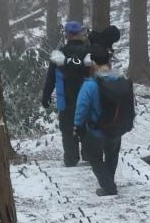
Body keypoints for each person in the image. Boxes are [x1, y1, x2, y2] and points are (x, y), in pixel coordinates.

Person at [73, 45, 124, 196]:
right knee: (112, 154)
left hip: (97, 129)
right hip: (116, 128)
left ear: (94, 63)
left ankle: (108, 186)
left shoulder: (90, 84)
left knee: (93, 156)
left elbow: (81, 108)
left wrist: (77, 126)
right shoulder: (119, 80)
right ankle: (109, 181)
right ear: (109, 63)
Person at [42, 21, 90, 166]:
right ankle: (90, 155)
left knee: (68, 130)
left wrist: (46, 96)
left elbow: (50, 78)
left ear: (67, 35)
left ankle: (70, 158)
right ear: (80, 34)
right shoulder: (89, 52)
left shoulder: (59, 55)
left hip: (66, 100)